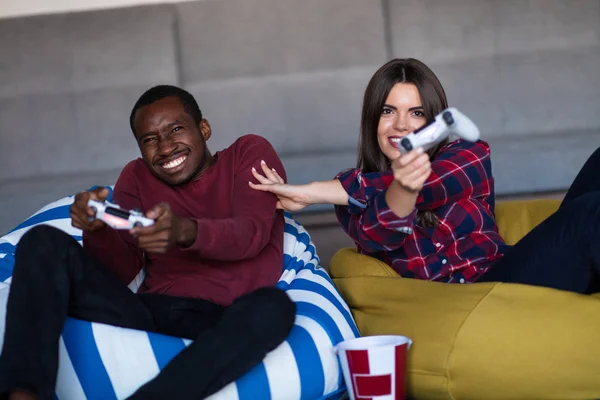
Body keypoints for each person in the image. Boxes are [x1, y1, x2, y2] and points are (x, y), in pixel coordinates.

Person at [0, 85, 296, 400]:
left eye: (176, 130)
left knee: (273, 308)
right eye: (150, 140)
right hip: (150, 312)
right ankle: (22, 394)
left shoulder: (247, 152)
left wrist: (185, 231)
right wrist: (98, 229)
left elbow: (250, 235)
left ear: (204, 129)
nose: (166, 148)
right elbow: (119, 271)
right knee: (43, 241)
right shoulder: (138, 176)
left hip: (223, 318)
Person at [249, 58, 600, 294]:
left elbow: (430, 185)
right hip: (472, 300)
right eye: (388, 111)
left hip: (509, 269)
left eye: (416, 112)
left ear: (433, 120)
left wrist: (320, 191)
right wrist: (379, 188)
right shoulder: (352, 201)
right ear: (373, 119)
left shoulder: (467, 154)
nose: (401, 124)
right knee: (591, 215)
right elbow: (383, 234)